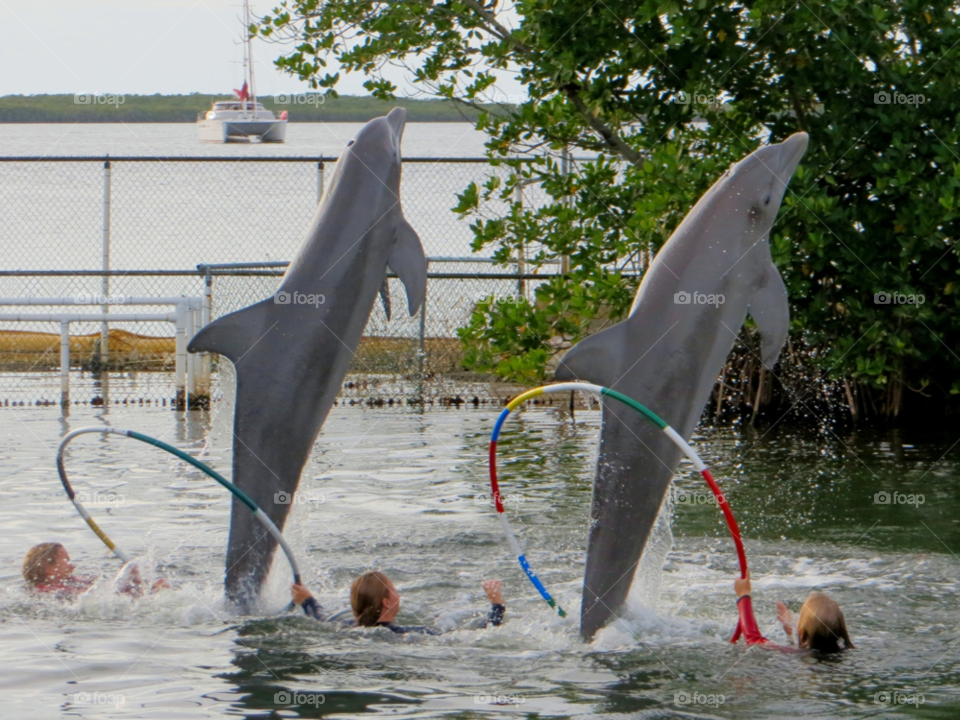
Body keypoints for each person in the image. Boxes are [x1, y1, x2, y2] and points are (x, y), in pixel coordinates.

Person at [291, 572, 506, 635]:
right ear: (387, 602)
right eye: (394, 590)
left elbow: (318, 614)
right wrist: (497, 605)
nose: (398, 594)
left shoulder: (342, 626)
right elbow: (479, 633)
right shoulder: (410, 633)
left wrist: (307, 600)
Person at [732, 570, 853, 652]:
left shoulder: (789, 653)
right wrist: (791, 633)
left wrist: (744, 596)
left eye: (801, 615)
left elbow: (753, 640)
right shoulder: (843, 650)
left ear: (802, 631)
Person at [22, 542, 168, 601]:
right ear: (50, 569)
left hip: (106, 598)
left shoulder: (72, 580)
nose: (72, 566)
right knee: (131, 568)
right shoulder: (47, 592)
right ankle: (148, 595)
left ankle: (147, 594)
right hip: (100, 602)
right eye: (66, 561)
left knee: (131, 575)